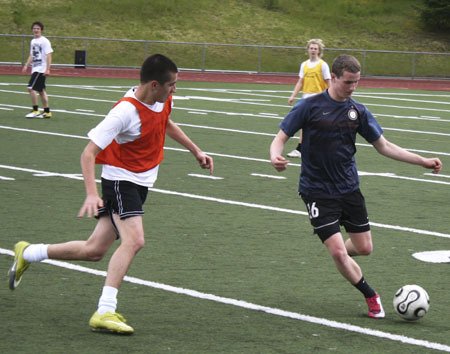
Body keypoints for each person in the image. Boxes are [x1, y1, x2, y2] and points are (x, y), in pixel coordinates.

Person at [8, 54, 214, 334]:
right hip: (120, 181)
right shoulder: (124, 112)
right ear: (155, 84)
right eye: (172, 85)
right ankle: (105, 311)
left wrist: (196, 150)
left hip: (140, 183)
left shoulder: (161, 100)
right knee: (135, 240)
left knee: (94, 250)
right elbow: (88, 152)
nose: (175, 90)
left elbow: (165, 123)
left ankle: (29, 252)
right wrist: (92, 194)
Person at [270, 54, 442, 319]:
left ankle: (338, 253)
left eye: (357, 82)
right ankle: (370, 295)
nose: (352, 87)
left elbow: (384, 146)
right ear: (335, 77)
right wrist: (275, 155)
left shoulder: (358, 111)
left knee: (364, 248)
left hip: (349, 188)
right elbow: (280, 137)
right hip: (316, 190)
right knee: (339, 252)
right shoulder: (310, 106)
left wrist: (422, 161)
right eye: (348, 82)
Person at [287, 39, 331, 158]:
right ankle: (301, 149)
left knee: (319, 124)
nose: (313, 50)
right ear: (308, 50)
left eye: (315, 48)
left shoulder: (323, 65)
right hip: (306, 98)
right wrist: (293, 96)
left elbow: (329, 83)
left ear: (319, 51)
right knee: (304, 123)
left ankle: (321, 147)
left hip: (319, 98)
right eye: (311, 48)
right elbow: (300, 82)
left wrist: (331, 98)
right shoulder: (304, 65)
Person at [22, 21, 53, 119]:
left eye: (38, 28)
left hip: (41, 69)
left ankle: (35, 110)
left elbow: (49, 55)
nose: (36, 30)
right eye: (34, 28)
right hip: (35, 68)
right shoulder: (33, 41)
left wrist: (48, 69)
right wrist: (26, 65)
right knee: (41, 91)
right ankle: (47, 112)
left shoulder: (44, 41)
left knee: (30, 88)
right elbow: (32, 54)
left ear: (41, 30)